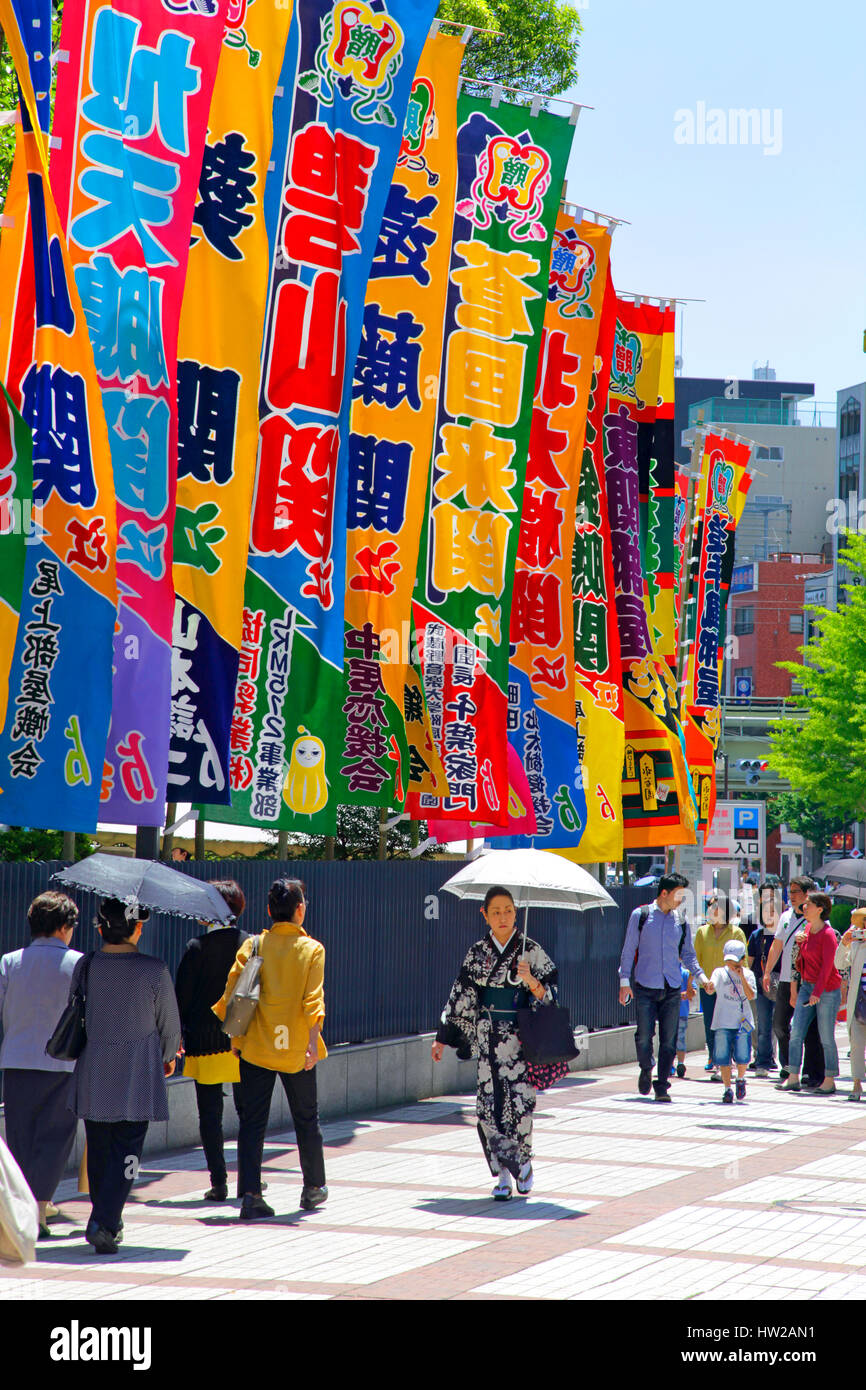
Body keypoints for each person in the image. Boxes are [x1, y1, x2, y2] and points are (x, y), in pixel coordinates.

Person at [70, 897, 181, 1254]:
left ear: (100, 927)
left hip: (95, 1069)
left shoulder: (86, 966)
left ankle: (105, 1217)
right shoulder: (154, 969)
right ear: (136, 928)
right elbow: (170, 1028)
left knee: (100, 1148)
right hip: (139, 1071)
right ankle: (105, 1219)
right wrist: (167, 1057)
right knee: (129, 1153)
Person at [433, 886, 558, 1198]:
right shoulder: (477, 952)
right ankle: (504, 1173)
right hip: (487, 1038)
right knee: (488, 1107)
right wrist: (442, 1037)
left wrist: (530, 980)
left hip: (521, 1039)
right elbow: (460, 996)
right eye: (496, 911)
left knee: (520, 1104)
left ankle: (523, 1163)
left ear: (516, 913)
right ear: (485, 915)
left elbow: (551, 996)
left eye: (508, 911)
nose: (503, 917)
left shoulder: (531, 950)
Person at [213, 879, 327, 1220]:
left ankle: (250, 1194)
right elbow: (313, 1001)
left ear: (268, 911)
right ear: (300, 910)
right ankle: (313, 1186)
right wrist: (311, 1045)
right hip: (295, 1047)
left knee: (252, 1122)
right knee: (306, 1117)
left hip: (257, 1046)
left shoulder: (254, 945)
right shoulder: (312, 950)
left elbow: (235, 992)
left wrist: (236, 1040)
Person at [0, 891, 82, 1238]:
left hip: (16, 1059)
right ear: (65, 927)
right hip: (63, 1064)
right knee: (55, 1138)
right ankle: (36, 1209)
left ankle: (23, 1209)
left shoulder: (9, 962)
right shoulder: (79, 963)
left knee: (19, 1137)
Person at [174, 880, 247, 1201]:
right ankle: (250, 1178)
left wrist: (177, 1035)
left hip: (204, 1043)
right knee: (250, 1114)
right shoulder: (251, 945)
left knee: (210, 1115)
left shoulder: (196, 948)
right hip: (243, 1041)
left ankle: (219, 1182)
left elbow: (181, 999)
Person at [618, 873, 709, 1102]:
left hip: (672, 988)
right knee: (644, 1035)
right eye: (678, 894)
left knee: (669, 1039)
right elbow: (629, 950)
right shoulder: (641, 915)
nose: (681, 899)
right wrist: (624, 982)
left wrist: (702, 977)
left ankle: (662, 1086)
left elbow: (688, 954)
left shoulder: (681, 920)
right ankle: (646, 1067)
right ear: (664, 893)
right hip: (645, 985)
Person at [775, 891, 842, 1096]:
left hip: (827, 989)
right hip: (806, 986)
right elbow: (800, 962)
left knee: (826, 1036)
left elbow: (827, 967)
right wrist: (799, 942)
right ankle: (793, 1076)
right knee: (796, 1032)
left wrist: (817, 993)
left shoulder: (829, 934)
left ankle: (829, 1079)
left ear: (819, 909)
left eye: (808, 905)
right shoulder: (806, 929)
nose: (804, 908)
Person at [762, 876, 814, 1081]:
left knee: (809, 1029)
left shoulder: (817, 918)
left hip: (807, 981)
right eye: (789, 892)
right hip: (785, 979)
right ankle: (789, 1064)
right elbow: (776, 945)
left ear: (807, 893)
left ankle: (808, 1070)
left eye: (795, 892)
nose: (790, 896)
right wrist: (767, 972)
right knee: (779, 1025)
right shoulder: (785, 916)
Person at [693, 893, 748, 1081]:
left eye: (716, 907)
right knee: (711, 1025)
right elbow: (695, 960)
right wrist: (696, 983)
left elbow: (743, 961)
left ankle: (728, 1062)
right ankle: (718, 1062)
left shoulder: (736, 933)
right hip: (707, 987)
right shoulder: (702, 932)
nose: (711, 910)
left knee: (729, 1025)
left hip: (730, 989)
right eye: (711, 907)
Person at [707, 940, 757, 1103]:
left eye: (735, 960)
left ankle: (741, 1079)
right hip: (722, 1020)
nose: (732, 963)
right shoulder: (720, 972)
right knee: (722, 1056)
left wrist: (741, 976)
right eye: (729, 960)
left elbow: (751, 996)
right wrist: (709, 986)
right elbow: (712, 984)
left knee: (743, 1055)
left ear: (743, 959)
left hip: (742, 1021)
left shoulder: (749, 974)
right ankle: (727, 1088)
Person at [747, 882, 781, 1077]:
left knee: (778, 1024)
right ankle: (762, 1061)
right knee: (762, 1023)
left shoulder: (781, 935)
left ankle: (772, 1058)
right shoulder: (756, 935)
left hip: (780, 986)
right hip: (760, 986)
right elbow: (749, 962)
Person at [836, 908, 866, 1101]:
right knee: (855, 1043)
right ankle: (856, 1083)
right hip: (858, 1001)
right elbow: (839, 964)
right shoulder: (856, 944)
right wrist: (844, 943)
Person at [673, 964, 696, 1079]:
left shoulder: (686, 973)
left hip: (681, 1012)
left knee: (680, 1038)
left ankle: (680, 1063)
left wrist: (686, 994)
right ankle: (670, 1064)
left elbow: (693, 991)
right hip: (668, 1012)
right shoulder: (664, 972)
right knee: (669, 1038)